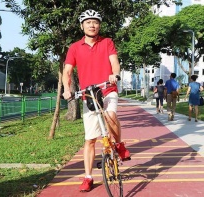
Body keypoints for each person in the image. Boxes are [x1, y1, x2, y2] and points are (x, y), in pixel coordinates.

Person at [62, 9, 130, 192]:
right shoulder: (75, 47)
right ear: (82, 25)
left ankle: (119, 144)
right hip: (89, 94)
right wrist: (67, 89)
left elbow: (114, 62)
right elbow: (67, 71)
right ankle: (88, 177)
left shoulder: (107, 42)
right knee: (90, 139)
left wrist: (115, 74)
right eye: (88, 22)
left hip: (108, 89)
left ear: (99, 25)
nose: (92, 25)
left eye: (96, 22)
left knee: (110, 114)